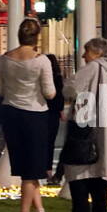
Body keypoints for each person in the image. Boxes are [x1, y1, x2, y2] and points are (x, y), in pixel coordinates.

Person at [0, 18, 56, 212]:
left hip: (11, 114)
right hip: (35, 115)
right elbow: (49, 92)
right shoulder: (41, 61)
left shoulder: (4, 60)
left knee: (28, 169)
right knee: (32, 170)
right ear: (37, 37)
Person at [61, 37, 107, 212]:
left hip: (85, 124)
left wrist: (67, 84)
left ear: (97, 52)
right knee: (98, 175)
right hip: (104, 125)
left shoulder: (92, 67)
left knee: (77, 170)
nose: (84, 55)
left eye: (86, 51)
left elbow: (72, 88)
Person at [44, 53, 65, 184]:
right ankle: (48, 170)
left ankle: (45, 169)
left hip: (43, 111)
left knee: (43, 142)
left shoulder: (44, 77)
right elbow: (60, 97)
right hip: (53, 113)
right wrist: (61, 111)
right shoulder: (57, 78)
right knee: (50, 143)